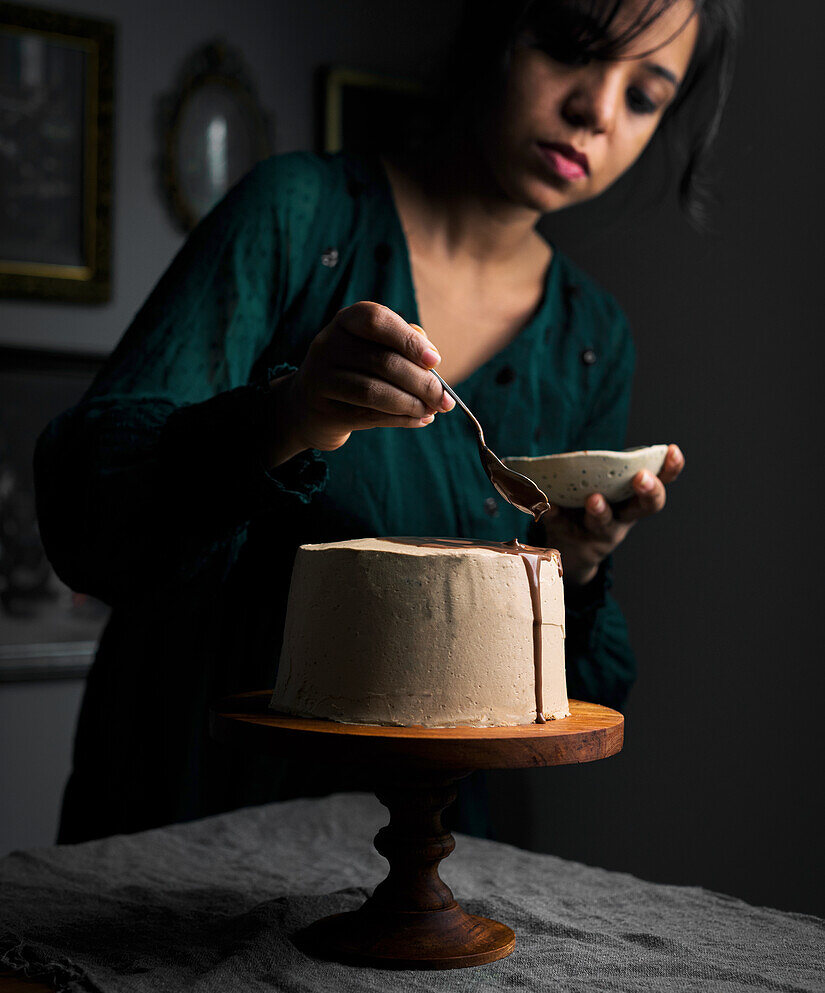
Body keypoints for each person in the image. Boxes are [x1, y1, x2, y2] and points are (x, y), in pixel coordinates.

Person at [35, 0, 740, 843]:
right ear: (491, 32)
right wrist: (290, 413)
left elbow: (571, 690)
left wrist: (576, 565)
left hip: (432, 856)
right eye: (571, 51)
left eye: (643, 96)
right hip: (197, 810)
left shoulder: (591, 337)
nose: (596, 110)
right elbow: (92, 509)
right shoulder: (297, 216)